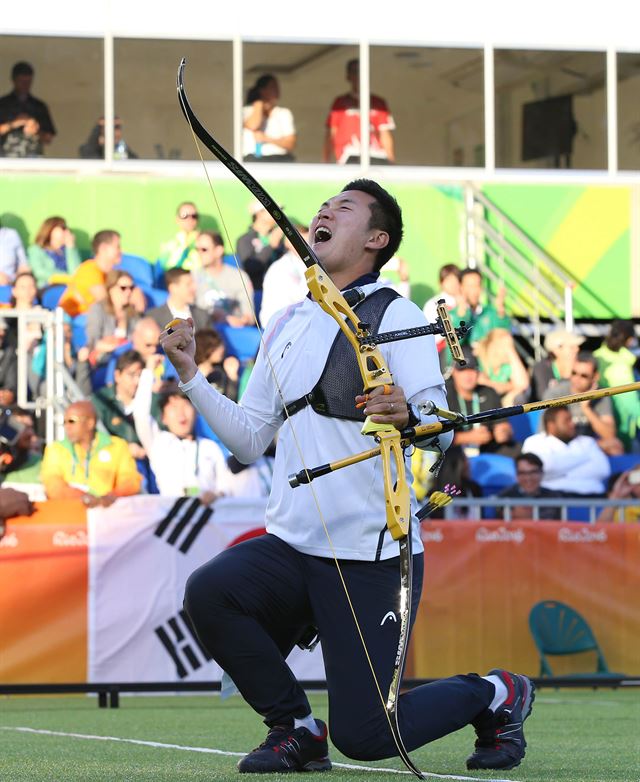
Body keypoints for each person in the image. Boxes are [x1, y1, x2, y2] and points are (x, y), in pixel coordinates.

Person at [160, 179, 535, 775]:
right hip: (292, 545)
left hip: (372, 552)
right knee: (211, 591)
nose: (325, 211)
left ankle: (497, 692)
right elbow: (249, 438)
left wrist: (407, 414)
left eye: (345, 208)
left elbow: (439, 425)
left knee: (367, 736)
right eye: (325, 205)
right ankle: (296, 729)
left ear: (376, 239)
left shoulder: (395, 313)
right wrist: (190, 377)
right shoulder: (285, 323)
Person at [132, 356, 227, 503]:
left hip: (208, 517)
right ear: (163, 417)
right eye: (173, 408)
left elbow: (226, 487)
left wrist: (217, 495)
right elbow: (140, 414)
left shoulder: (210, 448)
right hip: (172, 517)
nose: (181, 414)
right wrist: (148, 371)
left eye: (185, 406)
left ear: (195, 410)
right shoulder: (159, 443)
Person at [40, 400, 141, 507]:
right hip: (69, 513)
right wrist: (82, 497)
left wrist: (111, 497)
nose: (67, 426)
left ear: (90, 423)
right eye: (64, 422)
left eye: (71, 421)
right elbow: (52, 484)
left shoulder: (117, 446)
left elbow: (130, 480)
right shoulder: (55, 449)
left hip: (108, 513)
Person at [542, 351, 623, 456]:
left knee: (616, 446)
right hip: (561, 446)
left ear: (595, 377)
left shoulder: (601, 395)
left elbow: (609, 435)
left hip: (588, 445)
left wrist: (586, 408)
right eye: (574, 373)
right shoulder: (555, 393)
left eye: (583, 375)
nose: (577, 378)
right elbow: (547, 434)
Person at [445, 347, 519, 459]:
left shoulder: (489, 392)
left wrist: (504, 432)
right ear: (454, 372)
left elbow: (504, 425)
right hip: (455, 453)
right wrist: (468, 437)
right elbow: (434, 437)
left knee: (514, 449)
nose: (468, 375)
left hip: (486, 450)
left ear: (478, 372)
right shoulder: (444, 394)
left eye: (472, 370)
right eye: (462, 370)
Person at [522, 406, 610, 496]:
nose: (572, 424)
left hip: (592, 499)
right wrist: (584, 458)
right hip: (553, 502)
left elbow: (603, 470)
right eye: (566, 421)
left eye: (571, 419)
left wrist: (560, 473)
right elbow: (544, 469)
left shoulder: (587, 441)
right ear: (551, 425)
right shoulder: (534, 441)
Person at [323, 59, 396, 165]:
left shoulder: (379, 103)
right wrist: (326, 161)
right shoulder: (339, 103)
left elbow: (385, 133)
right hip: (347, 156)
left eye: (362, 71)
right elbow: (331, 133)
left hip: (375, 156)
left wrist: (391, 160)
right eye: (355, 72)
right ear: (348, 76)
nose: (359, 76)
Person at [92, 349, 155, 461]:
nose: (136, 381)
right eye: (131, 375)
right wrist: (124, 448)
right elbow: (96, 438)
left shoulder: (150, 399)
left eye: (140, 375)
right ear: (117, 375)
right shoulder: (101, 400)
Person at [594, 319, 640, 452]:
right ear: (630, 340)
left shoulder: (596, 356)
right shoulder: (620, 367)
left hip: (598, 429)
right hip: (620, 432)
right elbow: (631, 405)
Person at [192, 231, 254, 326]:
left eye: (204, 249)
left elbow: (249, 317)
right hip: (202, 332)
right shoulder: (192, 276)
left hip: (230, 332)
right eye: (197, 249)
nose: (199, 253)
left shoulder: (239, 277)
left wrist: (236, 321)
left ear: (219, 250)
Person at [59, 230, 122, 317]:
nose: (121, 251)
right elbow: (105, 303)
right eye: (118, 247)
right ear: (103, 248)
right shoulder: (89, 270)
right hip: (74, 320)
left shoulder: (109, 273)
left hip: (92, 318)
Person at [0, 61, 56, 158]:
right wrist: (13, 124)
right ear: (14, 80)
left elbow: (48, 138)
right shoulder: (3, 104)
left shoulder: (39, 106)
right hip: (6, 158)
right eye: (22, 82)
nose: (25, 85)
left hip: (32, 159)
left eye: (28, 82)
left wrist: (36, 131)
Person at [85, 269, 141, 364]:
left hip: (128, 360)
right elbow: (93, 342)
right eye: (123, 288)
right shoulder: (98, 309)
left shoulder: (133, 313)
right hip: (104, 361)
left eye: (131, 288)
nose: (128, 292)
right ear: (111, 288)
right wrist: (118, 347)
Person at [259, 223, 309, 325]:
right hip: (281, 326)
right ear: (288, 243)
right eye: (301, 241)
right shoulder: (280, 268)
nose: (306, 245)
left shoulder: (311, 264)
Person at [449, 268, 511, 348]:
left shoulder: (490, 311)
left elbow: (503, 333)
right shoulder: (452, 315)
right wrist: (462, 313)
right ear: (461, 287)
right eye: (470, 286)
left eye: (477, 285)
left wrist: (500, 307)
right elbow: (453, 345)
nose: (474, 290)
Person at [243, 75, 296, 162]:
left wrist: (266, 139)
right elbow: (253, 125)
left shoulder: (284, 113)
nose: (277, 90)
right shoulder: (246, 111)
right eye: (273, 87)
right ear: (262, 90)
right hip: (253, 159)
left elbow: (290, 144)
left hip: (280, 159)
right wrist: (259, 104)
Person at [236, 200, 286, 292]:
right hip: (257, 292)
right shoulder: (245, 239)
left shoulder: (279, 238)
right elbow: (250, 268)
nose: (278, 214)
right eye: (273, 210)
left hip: (281, 292)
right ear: (259, 214)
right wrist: (271, 246)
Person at [496, 453, 563, 520]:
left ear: (542, 473)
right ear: (516, 475)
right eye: (522, 473)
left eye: (533, 472)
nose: (528, 478)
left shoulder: (553, 497)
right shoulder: (504, 496)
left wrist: (529, 517)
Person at [474, 328, 531, 406]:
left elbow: (523, 384)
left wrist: (512, 353)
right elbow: (485, 386)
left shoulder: (505, 366)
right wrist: (512, 386)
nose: (510, 350)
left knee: (518, 397)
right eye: (508, 346)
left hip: (498, 401)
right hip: (480, 402)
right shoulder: (480, 359)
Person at [146, 267, 210, 334]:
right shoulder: (153, 317)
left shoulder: (202, 315)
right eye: (188, 284)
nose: (194, 288)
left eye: (193, 283)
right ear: (173, 288)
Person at [530, 328, 585, 401]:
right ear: (556, 350)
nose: (577, 349)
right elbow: (544, 398)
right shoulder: (541, 368)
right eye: (572, 347)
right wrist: (567, 375)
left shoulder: (580, 365)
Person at [27, 216, 82, 288]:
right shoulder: (36, 249)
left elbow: (77, 272)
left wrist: (70, 247)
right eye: (63, 228)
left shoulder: (69, 250)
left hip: (71, 286)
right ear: (50, 230)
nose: (67, 231)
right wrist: (67, 278)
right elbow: (39, 272)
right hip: (48, 287)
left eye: (68, 229)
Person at [422, 263, 461, 356]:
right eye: (449, 280)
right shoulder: (433, 304)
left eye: (456, 280)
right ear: (441, 283)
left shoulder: (465, 302)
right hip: (440, 352)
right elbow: (432, 336)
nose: (453, 284)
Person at [194, 328, 240, 401]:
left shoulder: (222, 366)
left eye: (220, 343)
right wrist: (233, 378)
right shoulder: (198, 379)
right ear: (205, 350)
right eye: (216, 347)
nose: (222, 348)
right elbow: (226, 405)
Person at [157, 202, 201, 274]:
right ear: (177, 219)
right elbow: (169, 270)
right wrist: (185, 246)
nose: (190, 219)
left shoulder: (204, 240)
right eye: (184, 216)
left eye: (194, 216)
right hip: (179, 281)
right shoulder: (169, 243)